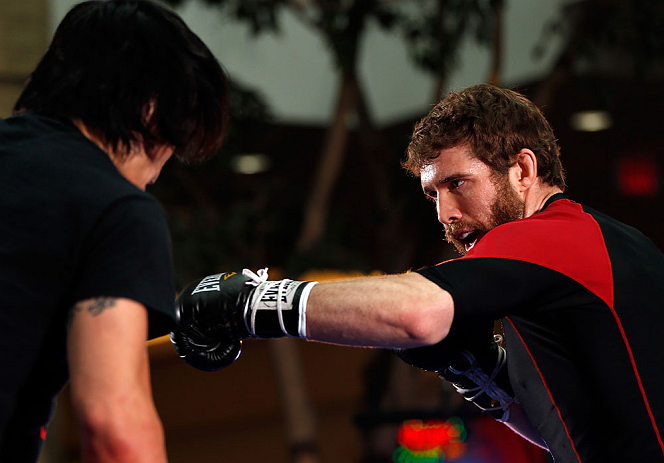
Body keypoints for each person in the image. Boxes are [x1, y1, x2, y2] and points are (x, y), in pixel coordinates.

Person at [171, 84, 664, 463]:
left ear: (523, 170)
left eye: (458, 183)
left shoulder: (557, 237)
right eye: (433, 194)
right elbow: (575, 429)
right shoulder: (599, 250)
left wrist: (250, 303)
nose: (444, 214)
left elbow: (417, 313)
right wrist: (481, 375)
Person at [0, 1, 228, 461]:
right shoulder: (117, 208)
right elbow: (115, 427)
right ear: (150, 108)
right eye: (176, 138)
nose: (159, 172)